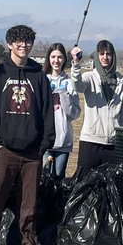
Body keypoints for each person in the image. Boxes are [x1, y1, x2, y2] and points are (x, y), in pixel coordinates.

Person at [0, 25, 56, 245]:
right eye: (19, 42)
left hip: (32, 152)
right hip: (5, 150)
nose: (24, 46)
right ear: (10, 44)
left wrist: (44, 145)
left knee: (29, 204)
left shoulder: (39, 76)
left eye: (28, 41)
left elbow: (46, 114)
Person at [70, 40, 123, 174]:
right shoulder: (90, 77)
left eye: (108, 54)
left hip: (112, 144)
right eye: (101, 53)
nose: (105, 57)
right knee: (84, 183)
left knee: (109, 186)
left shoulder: (121, 81)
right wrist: (75, 64)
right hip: (90, 141)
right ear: (97, 56)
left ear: (113, 56)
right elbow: (77, 86)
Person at [44, 43, 81, 178]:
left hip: (63, 141)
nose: (56, 60)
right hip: (45, 140)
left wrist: (64, 95)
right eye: (53, 56)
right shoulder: (42, 79)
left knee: (58, 179)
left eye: (60, 57)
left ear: (64, 59)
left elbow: (75, 114)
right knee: (43, 179)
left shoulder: (70, 82)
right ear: (48, 58)